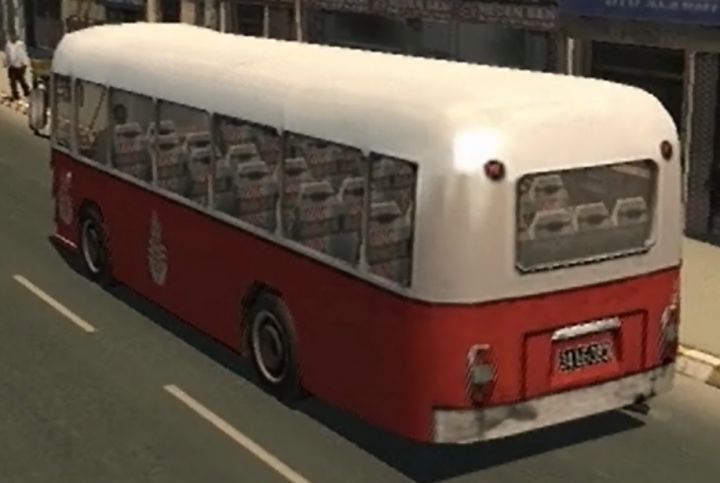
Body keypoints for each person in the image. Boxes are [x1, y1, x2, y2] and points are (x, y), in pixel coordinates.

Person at [3, 32, 31, 101]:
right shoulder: (8, 45)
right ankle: (15, 95)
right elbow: (7, 55)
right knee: (12, 81)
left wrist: (25, 64)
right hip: (12, 65)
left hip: (20, 65)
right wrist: (6, 63)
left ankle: (27, 92)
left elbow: (23, 54)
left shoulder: (20, 44)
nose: (12, 38)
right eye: (10, 36)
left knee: (21, 79)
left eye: (13, 36)